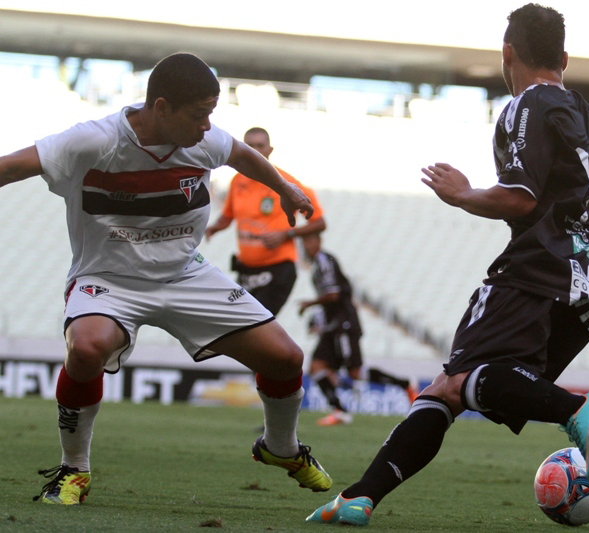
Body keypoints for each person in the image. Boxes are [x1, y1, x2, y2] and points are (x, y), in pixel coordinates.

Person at [307, 3, 589, 526]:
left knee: (459, 383)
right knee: (460, 387)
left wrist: (463, 194)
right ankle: (360, 497)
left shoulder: (530, 103)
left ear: (507, 54)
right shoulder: (583, 111)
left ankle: (576, 411)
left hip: (538, 271)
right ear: (565, 57)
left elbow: (521, 197)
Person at [0, 53, 332, 505]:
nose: (206, 127)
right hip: (108, 278)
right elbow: (12, 166)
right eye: (198, 116)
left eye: (210, 115)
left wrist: (284, 188)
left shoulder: (204, 139)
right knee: (86, 347)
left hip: (184, 273)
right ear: (160, 107)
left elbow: (241, 153)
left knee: (285, 358)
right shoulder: (92, 142)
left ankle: (281, 448)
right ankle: (73, 470)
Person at [298, 233, 417, 426]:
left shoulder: (325, 262)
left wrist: (309, 303)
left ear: (319, 241)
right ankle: (340, 411)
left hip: (344, 324)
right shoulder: (317, 266)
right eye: (304, 242)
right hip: (332, 327)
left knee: (355, 372)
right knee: (316, 367)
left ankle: (406, 385)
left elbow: (334, 295)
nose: (306, 246)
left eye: (310, 241)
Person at [205, 127, 326, 316]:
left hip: (277, 270)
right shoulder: (238, 180)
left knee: (253, 323)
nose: (255, 151)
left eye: (260, 146)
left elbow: (319, 222)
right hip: (247, 272)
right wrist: (212, 228)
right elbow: (228, 215)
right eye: (249, 146)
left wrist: (287, 234)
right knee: (233, 319)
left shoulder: (285, 182)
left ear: (270, 150)